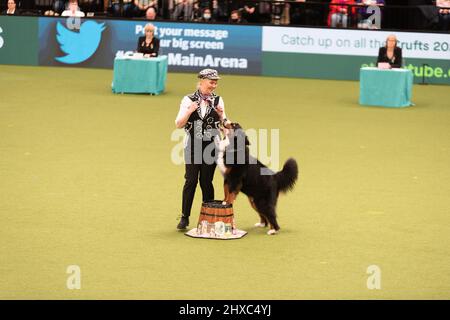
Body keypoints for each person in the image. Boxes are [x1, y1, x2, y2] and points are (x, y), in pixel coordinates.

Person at [174, 69, 231, 230]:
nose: (214, 85)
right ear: (201, 81)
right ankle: (185, 217)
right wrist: (189, 110)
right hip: (192, 145)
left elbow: (225, 126)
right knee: (191, 180)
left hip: (211, 146)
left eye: (216, 82)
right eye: (211, 82)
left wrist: (222, 117)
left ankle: (209, 217)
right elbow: (179, 124)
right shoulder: (188, 100)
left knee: (206, 181)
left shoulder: (218, 101)